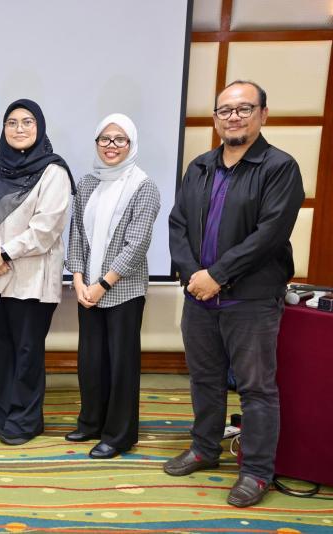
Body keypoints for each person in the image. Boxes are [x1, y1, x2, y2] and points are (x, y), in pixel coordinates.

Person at [166, 80, 304, 507]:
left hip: (252, 300)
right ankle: (204, 448)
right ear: (215, 119)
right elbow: (177, 224)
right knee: (204, 379)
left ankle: (257, 471)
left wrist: (218, 275)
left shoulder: (280, 167)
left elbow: (269, 235)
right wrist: (194, 276)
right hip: (200, 297)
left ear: (263, 114)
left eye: (244, 109)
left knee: (256, 388)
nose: (234, 117)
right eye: (225, 110)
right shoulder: (200, 167)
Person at [0, 99, 74, 446]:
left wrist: (4, 254)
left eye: (27, 122)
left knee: (27, 351)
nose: (19, 128)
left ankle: (25, 419)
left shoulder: (53, 172)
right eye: (11, 122)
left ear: (39, 127)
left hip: (32, 277)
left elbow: (46, 228)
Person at [65, 113, 160, 459]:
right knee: (90, 360)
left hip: (123, 290)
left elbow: (137, 244)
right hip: (87, 289)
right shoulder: (87, 182)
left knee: (121, 364)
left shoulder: (144, 186)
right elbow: (77, 234)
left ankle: (119, 435)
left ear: (131, 144)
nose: (111, 146)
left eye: (120, 139)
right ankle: (91, 422)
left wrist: (102, 284)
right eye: (104, 139)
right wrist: (78, 279)